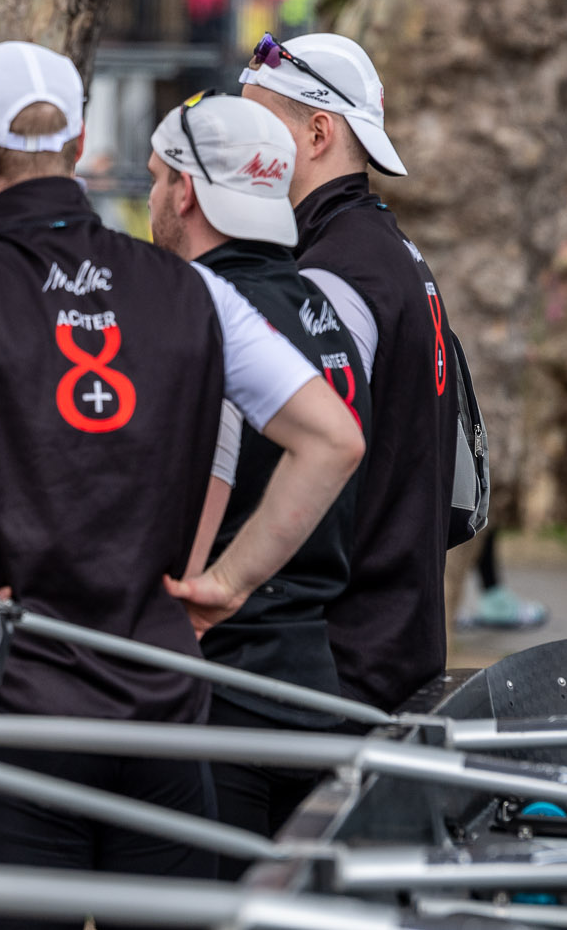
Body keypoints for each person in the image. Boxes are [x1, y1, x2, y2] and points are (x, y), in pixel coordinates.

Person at [0, 42, 362, 913]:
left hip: (14, 704)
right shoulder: (193, 292)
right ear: (82, 140)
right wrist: (227, 582)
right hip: (161, 703)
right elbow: (332, 438)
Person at [146, 93, 370, 860]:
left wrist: (215, 584)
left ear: (184, 189)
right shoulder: (324, 305)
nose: (150, 200)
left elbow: (204, 477)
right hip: (312, 674)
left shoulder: (205, 311)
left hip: (220, 680)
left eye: (153, 180)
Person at [238, 31, 459, 713]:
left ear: (318, 132)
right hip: (394, 641)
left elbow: (311, 469)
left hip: (346, 661)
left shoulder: (334, 271)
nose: (239, 147)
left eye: (254, 122)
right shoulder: (389, 249)